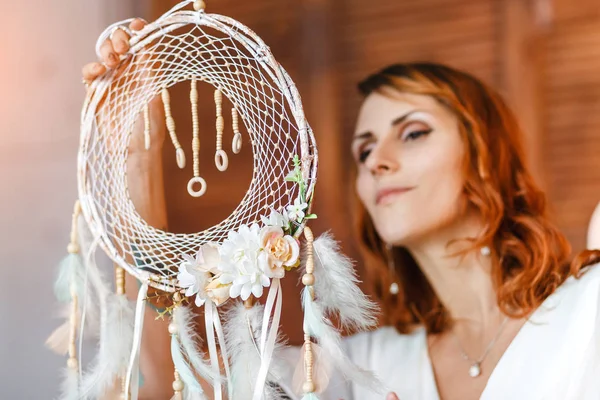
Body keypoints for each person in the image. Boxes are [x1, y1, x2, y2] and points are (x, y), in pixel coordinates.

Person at [83, 21, 600, 400]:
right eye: (364, 149)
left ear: (486, 160)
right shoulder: (359, 367)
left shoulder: (587, 310)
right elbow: (152, 382)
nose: (378, 161)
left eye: (413, 132)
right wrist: (135, 169)